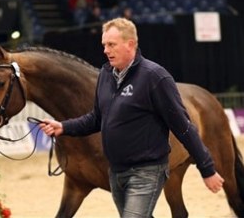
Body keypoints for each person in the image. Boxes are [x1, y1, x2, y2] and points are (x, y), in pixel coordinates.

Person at [39, 18, 224, 217]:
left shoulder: (154, 77)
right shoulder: (106, 75)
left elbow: (183, 126)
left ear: (131, 44)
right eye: (104, 45)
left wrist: (207, 169)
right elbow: (97, 118)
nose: (106, 50)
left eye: (111, 45)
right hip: (117, 172)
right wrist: (63, 127)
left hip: (147, 170)